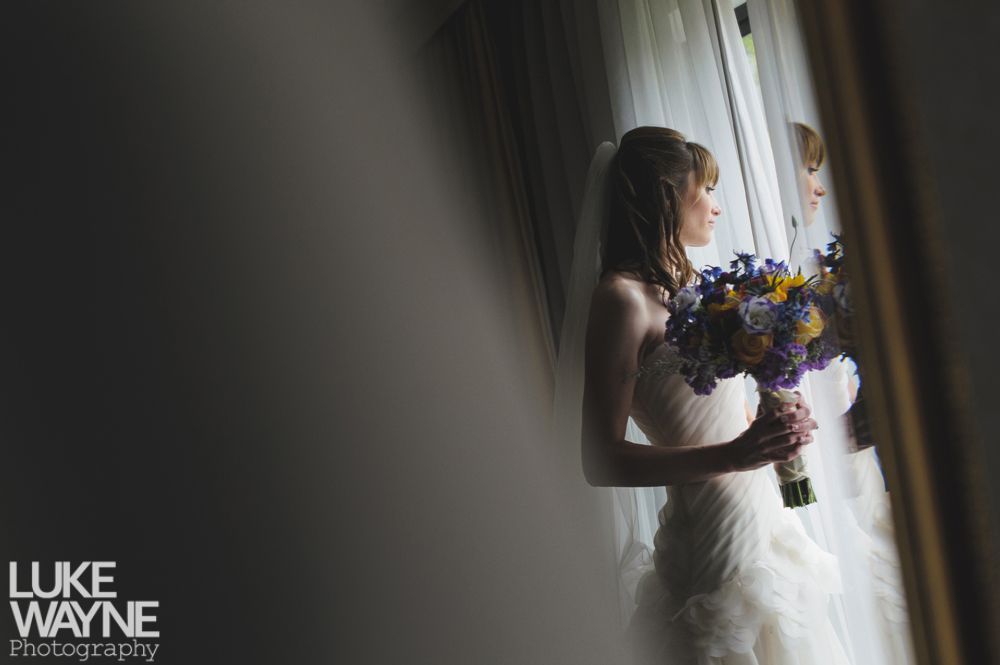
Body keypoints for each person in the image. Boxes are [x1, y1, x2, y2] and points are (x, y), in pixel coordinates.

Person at [579, 126, 850, 664]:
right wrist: (734, 455)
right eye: (706, 189)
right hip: (709, 543)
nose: (716, 206)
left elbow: (721, 411)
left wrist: (775, 423)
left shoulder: (692, 286)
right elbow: (599, 459)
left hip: (761, 522)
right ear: (667, 196)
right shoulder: (621, 300)